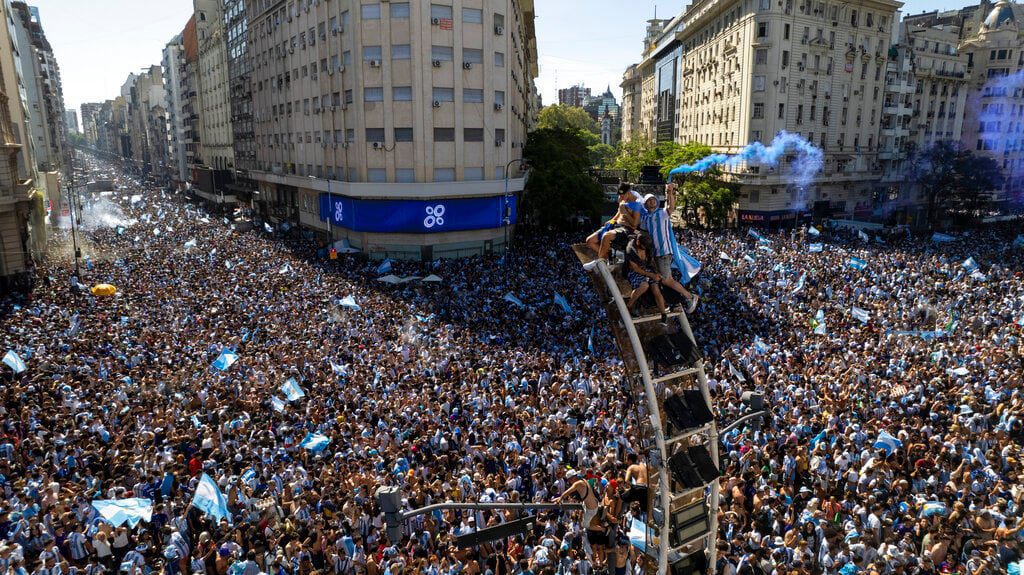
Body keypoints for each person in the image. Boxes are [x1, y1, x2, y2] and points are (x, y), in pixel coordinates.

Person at [639, 186, 698, 314]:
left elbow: (671, 207)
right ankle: (674, 302)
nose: (652, 201)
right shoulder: (645, 219)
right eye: (649, 200)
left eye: (653, 199)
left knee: (667, 280)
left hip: (664, 252)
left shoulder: (662, 213)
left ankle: (689, 296)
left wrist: (670, 192)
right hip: (656, 255)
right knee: (661, 280)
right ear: (645, 204)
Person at [584, 184, 643, 268]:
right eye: (620, 195)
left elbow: (634, 224)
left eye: (623, 195)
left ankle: (600, 261)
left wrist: (625, 213)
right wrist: (611, 221)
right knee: (590, 241)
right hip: (615, 225)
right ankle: (609, 258)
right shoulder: (622, 199)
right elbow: (618, 213)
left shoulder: (637, 203)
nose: (621, 198)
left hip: (627, 228)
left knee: (606, 236)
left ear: (628, 193)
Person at [623, 235, 668, 325]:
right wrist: (651, 275)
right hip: (633, 271)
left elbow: (651, 261)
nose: (645, 249)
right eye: (643, 247)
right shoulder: (630, 250)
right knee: (644, 285)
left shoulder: (648, 247)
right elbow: (635, 268)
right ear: (638, 242)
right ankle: (629, 306)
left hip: (647, 268)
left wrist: (656, 272)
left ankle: (663, 315)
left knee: (656, 288)